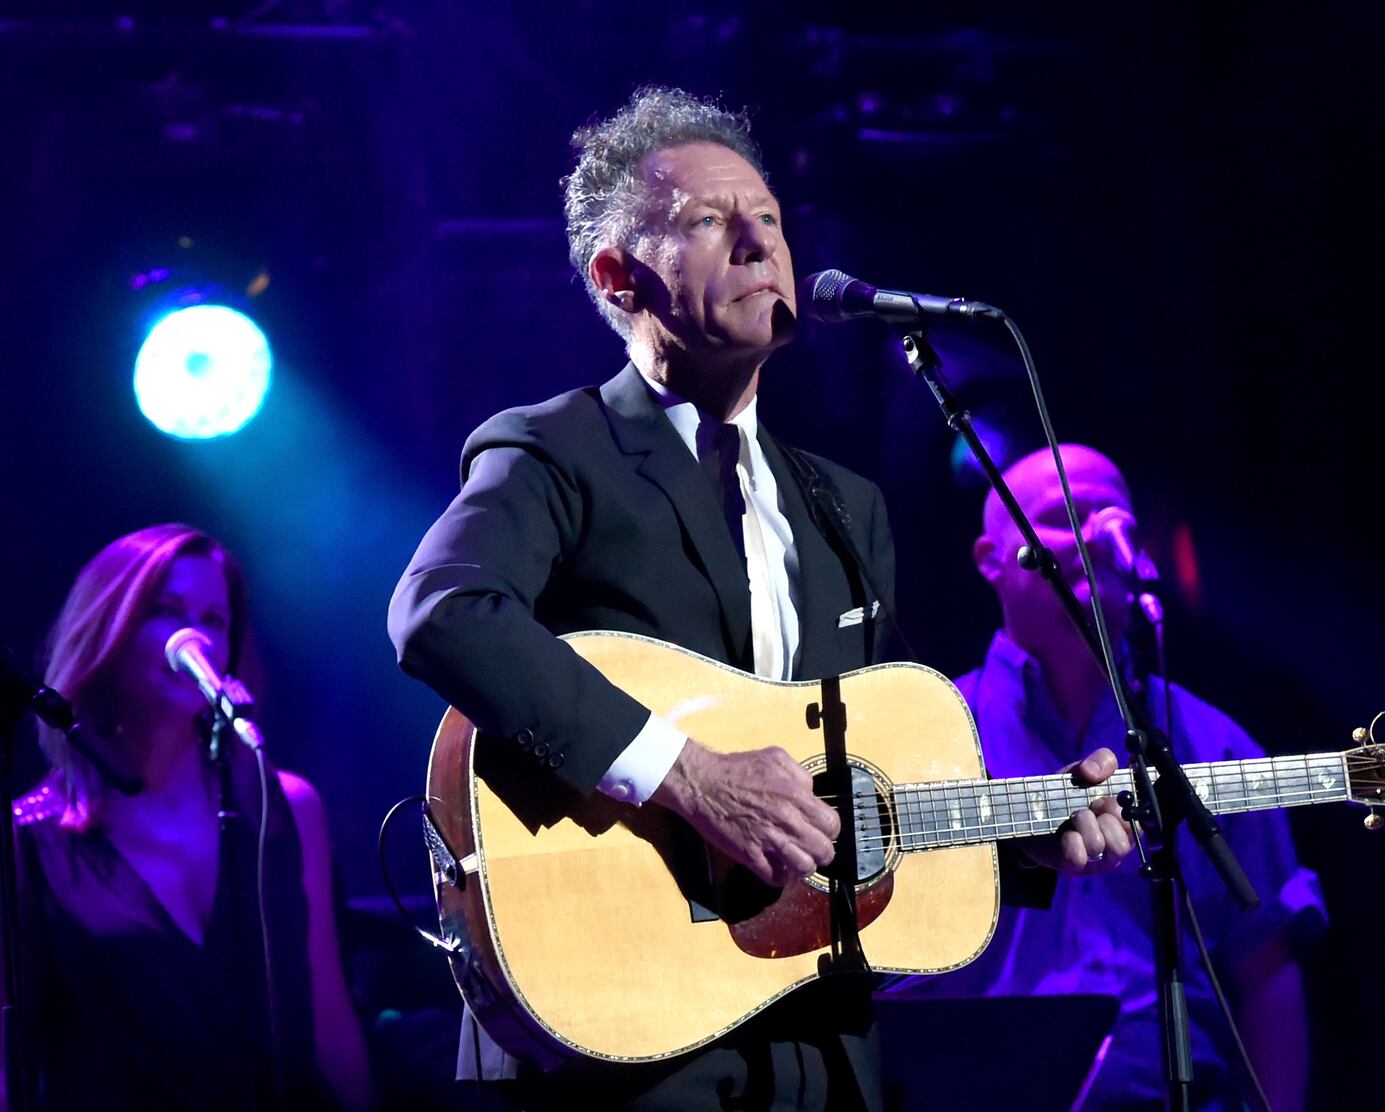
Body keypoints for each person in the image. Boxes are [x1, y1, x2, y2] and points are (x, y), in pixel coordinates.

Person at [386, 87, 1133, 1110]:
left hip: (816, 1036)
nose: (757, 244)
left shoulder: (845, 507)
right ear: (618, 275)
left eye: (769, 220)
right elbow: (442, 608)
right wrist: (685, 773)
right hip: (616, 1021)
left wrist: (1025, 838)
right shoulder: (555, 449)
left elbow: (845, 799)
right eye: (707, 222)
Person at [889, 444, 1326, 1111]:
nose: (1095, 531)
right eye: (1064, 514)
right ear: (991, 559)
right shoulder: (921, 738)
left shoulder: (1218, 745)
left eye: (1110, 513)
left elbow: (1266, 970)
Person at [4, 524, 372, 1110]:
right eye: (166, 611)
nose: (193, 636)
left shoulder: (286, 809)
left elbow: (332, 1030)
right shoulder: (29, 842)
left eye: (214, 620)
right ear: (111, 628)